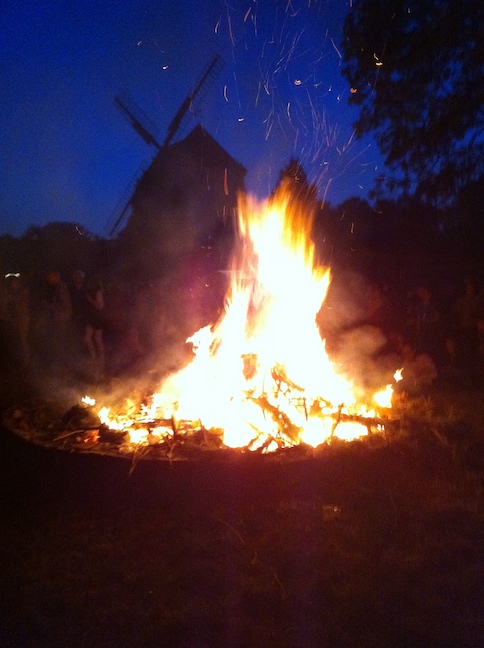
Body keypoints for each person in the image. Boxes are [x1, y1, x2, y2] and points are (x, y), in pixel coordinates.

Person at [0, 272, 31, 367]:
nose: (14, 284)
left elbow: (23, 305)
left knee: (22, 340)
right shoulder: (7, 292)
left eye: (16, 282)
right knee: (12, 340)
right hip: (9, 320)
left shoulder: (23, 292)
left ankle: (26, 361)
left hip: (21, 319)